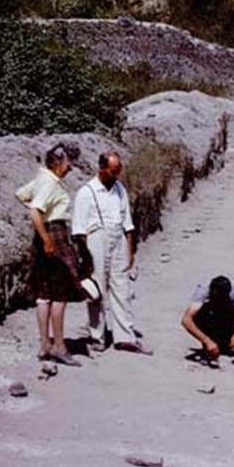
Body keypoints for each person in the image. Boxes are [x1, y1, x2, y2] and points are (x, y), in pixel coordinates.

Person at [71, 152, 151, 355]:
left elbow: (128, 223)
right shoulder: (86, 192)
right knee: (97, 290)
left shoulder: (119, 189)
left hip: (118, 239)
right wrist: (86, 260)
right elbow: (79, 231)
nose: (116, 176)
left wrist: (131, 252)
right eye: (113, 172)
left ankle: (125, 337)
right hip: (96, 240)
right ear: (102, 168)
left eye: (118, 171)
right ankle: (97, 336)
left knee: (122, 288)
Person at [15, 141, 86, 366]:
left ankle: (45, 344)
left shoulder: (42, 178)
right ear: (57, 162)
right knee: (60, 295)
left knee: (44, 294)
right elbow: (35, 211)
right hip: (54, 235)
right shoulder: (50, 183)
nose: (70, 167)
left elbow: (21, 195)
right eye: (68, 162)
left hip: (44, 236)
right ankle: (59, 346)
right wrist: (48, 239)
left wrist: (42, 231)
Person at [182, 276, 234, 361]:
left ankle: (223, 347)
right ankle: (211, 345)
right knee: (199, 316)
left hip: (227, 319)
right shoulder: (203, 291)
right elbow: (186, 320)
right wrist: (207, 341)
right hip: (208, 319)